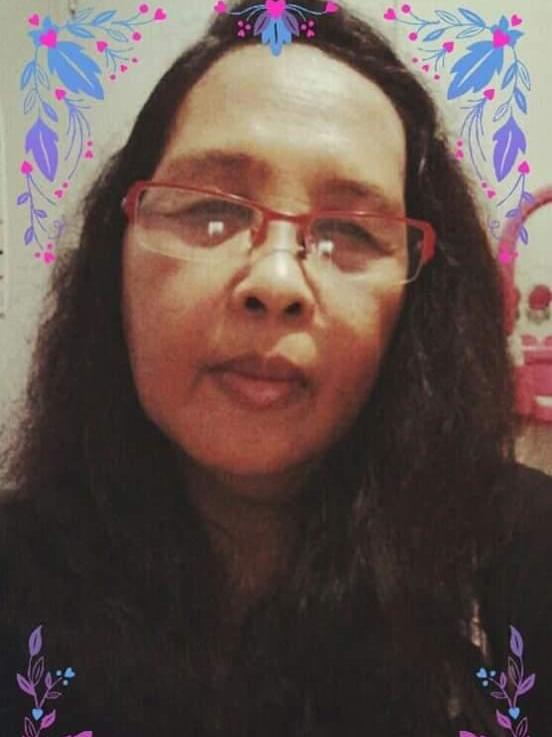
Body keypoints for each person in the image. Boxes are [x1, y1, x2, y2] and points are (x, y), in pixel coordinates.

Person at [1, 1, 551, 735]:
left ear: (418, 306)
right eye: (211, 212)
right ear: (116, 264)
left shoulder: (524, 564)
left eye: (350, 229)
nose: (276, 281)